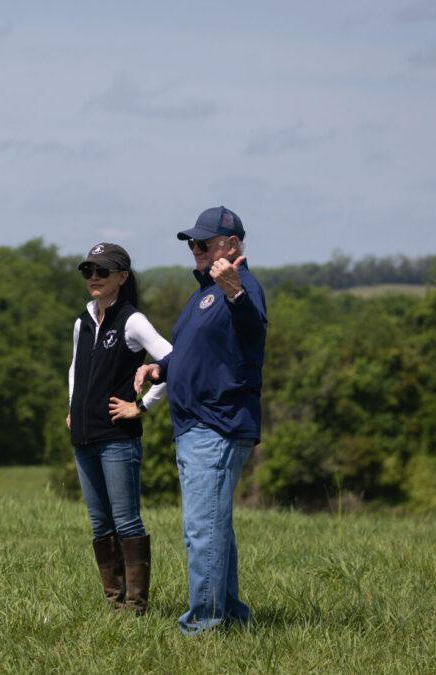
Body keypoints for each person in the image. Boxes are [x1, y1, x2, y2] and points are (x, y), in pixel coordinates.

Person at [134, 206, 267, 634]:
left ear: (230, 245)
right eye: (192, 243)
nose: (195, 249)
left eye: (203, 243)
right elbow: (194, 352)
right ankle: (230, 616)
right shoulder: (202, 294)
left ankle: (205, 627)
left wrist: (235, 294)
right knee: (214, 528)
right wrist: (162, 369)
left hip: (217, 424)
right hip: (198, 426)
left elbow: (253, 330)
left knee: (202, 531)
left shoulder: (241, 286)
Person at [67, 243, 172, 615]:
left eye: (102, 271)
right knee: (100, 523)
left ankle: (135, 606)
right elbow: (75, 370)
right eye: (88, 271)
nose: (94, 277)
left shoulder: (132, 320)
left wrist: (141, 405)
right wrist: (70, 408)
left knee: (126, 520)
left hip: (117, 440)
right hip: (83, 437)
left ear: (122, 277)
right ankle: (114, 604)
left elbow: (171, 359)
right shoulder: (82, 321)